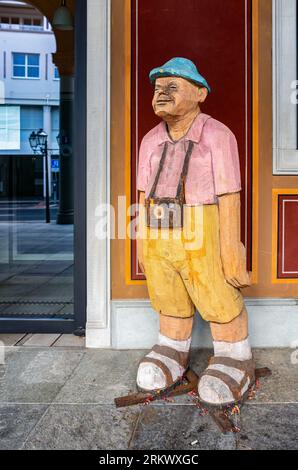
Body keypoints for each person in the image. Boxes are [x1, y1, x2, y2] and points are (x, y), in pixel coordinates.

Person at [136, 57, 254, 406]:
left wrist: (231, 248)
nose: (161, 94)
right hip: (157, 227)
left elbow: (230, 194)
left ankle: (235, 355)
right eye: (158, 88)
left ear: (200, 93)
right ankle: (172, 348)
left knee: (215, 290)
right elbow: (142, 194)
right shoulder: (149, 141)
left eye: (172, 87)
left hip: (203, 225)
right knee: (167, 292)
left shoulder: (218, 135)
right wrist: (143, 244)